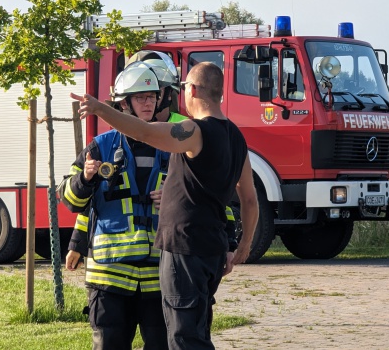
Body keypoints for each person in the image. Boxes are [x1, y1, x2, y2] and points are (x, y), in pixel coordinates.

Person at [70, 61, 260, 349]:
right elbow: (249, 199)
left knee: (185, 339)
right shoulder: (236, 137)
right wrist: (244, 246)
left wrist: (99, 108)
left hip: (185, 249)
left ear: (192, 90)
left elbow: (145, 133)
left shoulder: (194, 131)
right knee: (195, 332)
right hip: (210, 248)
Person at [59, 62, 170, 350]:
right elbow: (72, 201)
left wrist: (174, 197)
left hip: (158, 277)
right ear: (124, 104)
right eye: (140, 97)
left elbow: (197, 197)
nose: (148, 103)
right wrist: (85, 179)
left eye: (152, 96)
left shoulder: (171, 146)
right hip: (109, 277)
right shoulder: (100, 146)